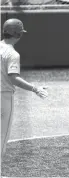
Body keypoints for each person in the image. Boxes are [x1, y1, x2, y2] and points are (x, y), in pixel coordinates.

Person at [1, 18, 48, 156]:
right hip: (4, 98)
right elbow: (13, 78)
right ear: (18, 34)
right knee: (2, 137)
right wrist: (35, 88)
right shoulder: (12, 54)